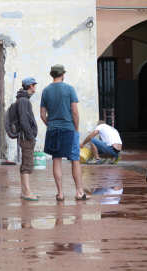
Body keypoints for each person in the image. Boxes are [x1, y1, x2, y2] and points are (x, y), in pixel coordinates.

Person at [40, 64, 88, 201]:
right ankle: (79, 192)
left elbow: (42, 114)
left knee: (56, 159)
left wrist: (50, 124)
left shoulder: (46, 91)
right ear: (63, 74)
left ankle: (60, 193)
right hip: (69, 129)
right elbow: (75, 112)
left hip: (53, 129)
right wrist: (76, 128)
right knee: (75, 159)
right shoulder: (69, 89)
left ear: (52, 74)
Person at [16, 77, 38, 201]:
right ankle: (27, 192)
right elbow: (24, 121)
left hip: (25, 137)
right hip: (26, 138)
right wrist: (31, 136)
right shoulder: (24, 101)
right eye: (34, 86)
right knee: (27, 165)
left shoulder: (22, 99)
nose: (35, 88)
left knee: (25, 164)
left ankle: (24, 191)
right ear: (30, 86)